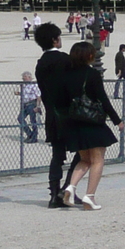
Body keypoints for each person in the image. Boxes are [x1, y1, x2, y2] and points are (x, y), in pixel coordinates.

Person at [56, 41, 123, 210]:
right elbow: (103, 99)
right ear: (90, 56)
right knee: (97, 160)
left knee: (84, 159)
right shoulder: (92, 74)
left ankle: (70, 187)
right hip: (92, 121)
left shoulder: (65, 74)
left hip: (74, 122)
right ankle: (89, 196)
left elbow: (61, 101)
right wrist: (117, 120)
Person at [33, 23, 78, 209]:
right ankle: (66, 188)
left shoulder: (41, 63)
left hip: (52, 113)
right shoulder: (64, 59)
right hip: (68, 112)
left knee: (57, 157)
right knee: (85, 152)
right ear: (54, 39)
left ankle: (54, 194)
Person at [18, 72, 42, 143]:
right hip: (25, 105)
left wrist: (37, 106)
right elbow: (26, 94)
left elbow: (38, 96)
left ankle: (34, 137)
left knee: (33, 121)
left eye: (24, 77)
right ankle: (30, 134)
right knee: (20, 118)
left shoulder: (34, 85)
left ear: (29, 77)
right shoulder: (24, 85)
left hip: (32, 104)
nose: (23, 78)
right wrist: (19, 93)